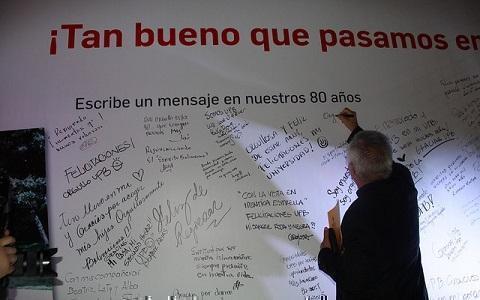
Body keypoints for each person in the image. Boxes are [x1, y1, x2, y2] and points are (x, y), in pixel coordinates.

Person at [318, 108, 428, 299]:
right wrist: (355, 131)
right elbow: (380, 159)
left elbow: (354, 280)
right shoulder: (404, 182)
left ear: (351, 170)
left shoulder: (359, 217)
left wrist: (326, 256)